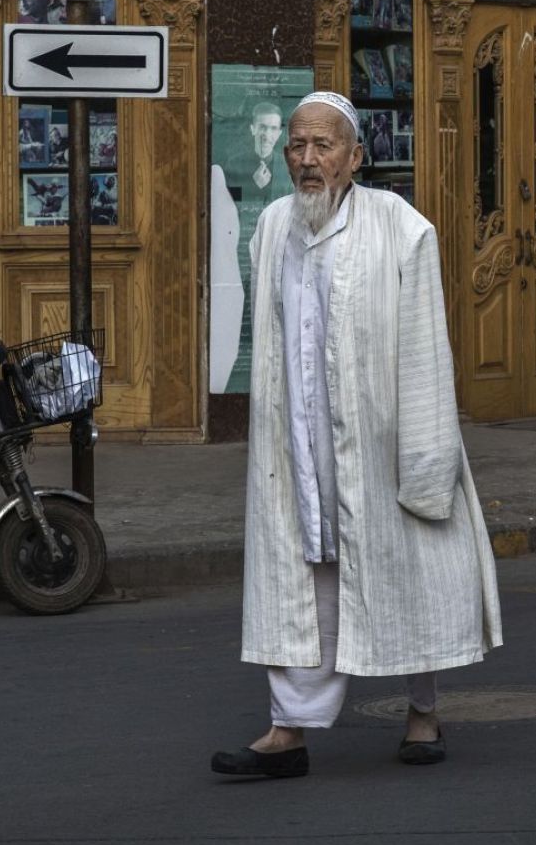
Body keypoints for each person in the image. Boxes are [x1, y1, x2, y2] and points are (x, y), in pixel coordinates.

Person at [211, 91, 502, 778]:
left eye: (324, 147)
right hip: (300, 439)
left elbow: (428, 347)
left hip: (384, 437)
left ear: (355, 158)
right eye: (298, 147)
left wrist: (426, 456)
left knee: (411, 566)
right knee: (300, 572)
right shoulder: (275, 225)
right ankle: (289, 730)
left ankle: (422, 713)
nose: (308, 161)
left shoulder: (402, 227)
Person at [219, 103, 294, 393]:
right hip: (238, 254)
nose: (267, 134)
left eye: (273, 128)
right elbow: (225, 207)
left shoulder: (287, 168)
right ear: (252, 128)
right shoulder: (233, 163)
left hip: (279, 254)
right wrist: (252, 187)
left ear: (279, 133)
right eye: (262, 127)